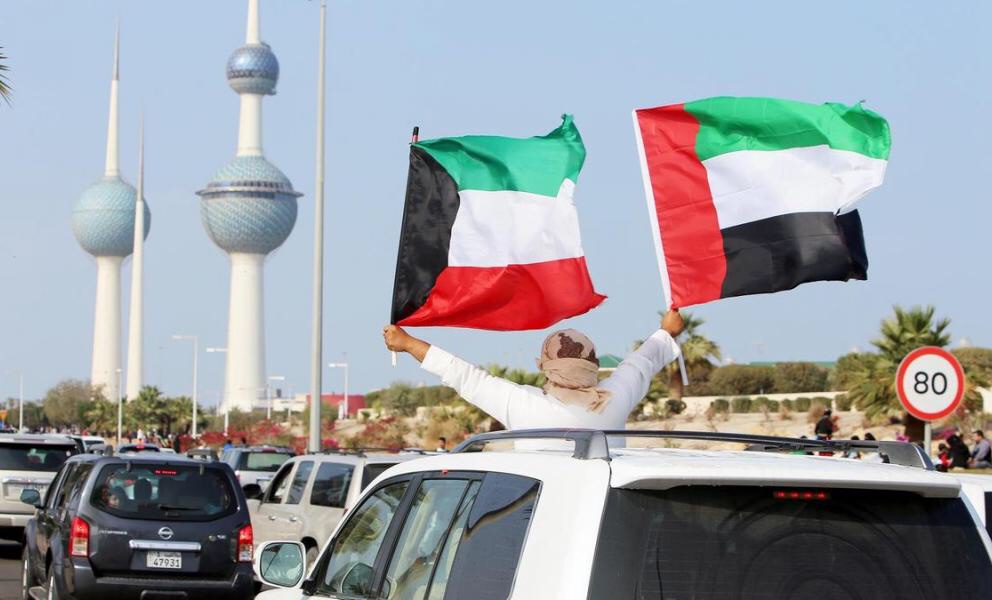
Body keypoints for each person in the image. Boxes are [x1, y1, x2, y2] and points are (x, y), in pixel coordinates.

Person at [383, 311, 685, 432]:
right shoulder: (613, 400)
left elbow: (464, 376)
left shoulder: (524, 404)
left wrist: (408, 344)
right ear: (593, 364)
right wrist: (667, 331)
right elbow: (641, 361)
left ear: (546, 367)